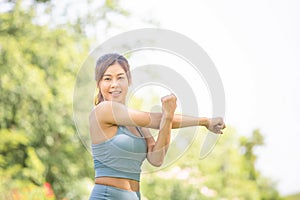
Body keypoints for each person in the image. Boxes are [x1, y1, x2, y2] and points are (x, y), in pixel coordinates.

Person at [89, 53, 226, 200]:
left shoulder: (138, 125)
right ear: (99, 83)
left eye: (120, 77)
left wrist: (167, 117)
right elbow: (154, 119)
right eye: (107, 78)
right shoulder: (103, 110)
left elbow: (156, 159)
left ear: (129, 81)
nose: (114, 84)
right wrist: (204, 121)